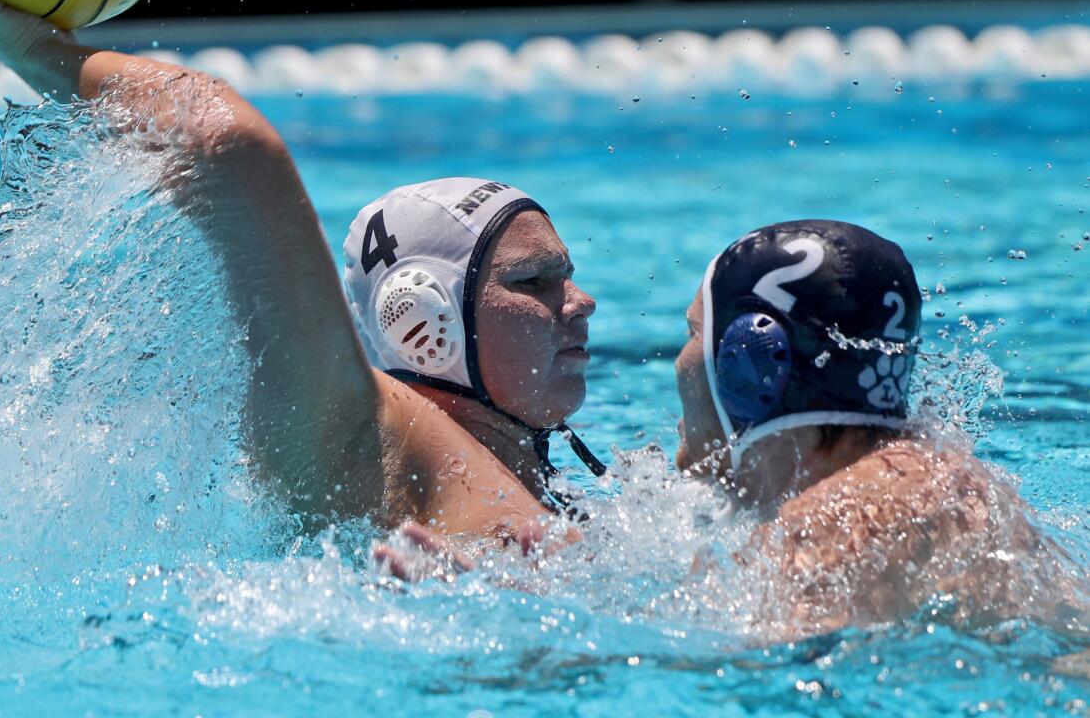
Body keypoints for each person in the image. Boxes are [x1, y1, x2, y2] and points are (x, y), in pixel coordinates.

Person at [0, 0, 601, 541]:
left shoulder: (543, 477)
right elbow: (227, 146)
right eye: (533, 281)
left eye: (564, 276)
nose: (580, 302)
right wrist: (33, 49)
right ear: (423, 319)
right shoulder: (356, 438)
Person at [391, 220, 1082, 635]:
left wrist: (515, 631)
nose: (677, 361)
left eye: (693, 333)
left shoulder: (839, 518)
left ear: (753, 362)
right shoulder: (929, 482)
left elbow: (760, 683)